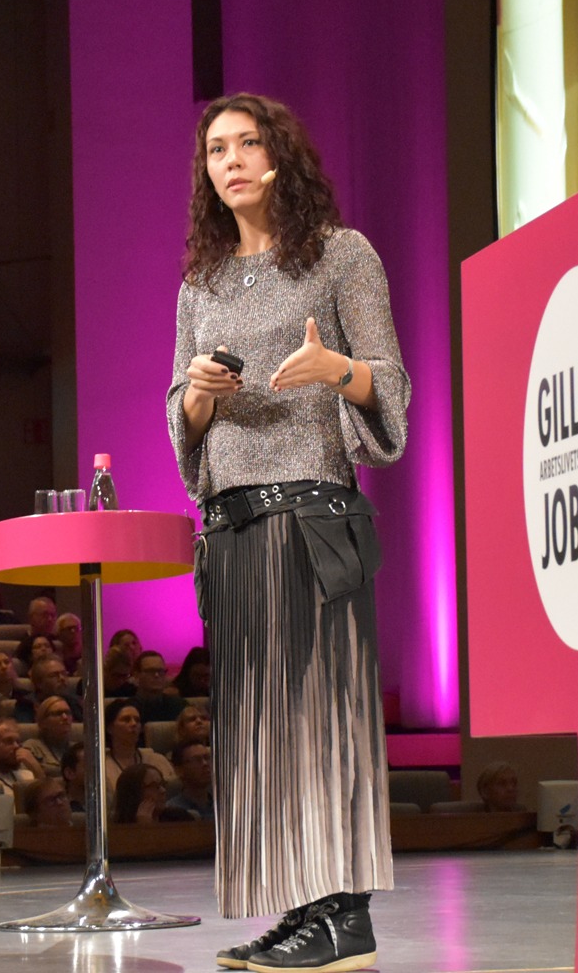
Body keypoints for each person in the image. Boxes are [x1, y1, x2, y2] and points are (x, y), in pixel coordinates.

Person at [169, 93, 407, 968]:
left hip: (311, 522)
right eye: (214, 149)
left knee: (321, 720)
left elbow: (391, 382)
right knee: (265, 734)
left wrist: (337, 370)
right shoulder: (203, 283)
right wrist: (198, 394)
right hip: (232, 532)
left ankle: (347, 919)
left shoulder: (342, 256)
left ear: (280, 154)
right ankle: (309, 910)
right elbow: (179, 414)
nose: (227, 160)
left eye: (245, 143)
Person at [22, 695, 78, 778]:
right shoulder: (31, 748)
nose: (65, 717)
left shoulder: (78, 750)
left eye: (68, 713)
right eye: (58, 713)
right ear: (43, 722)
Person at [131, 651, 187, 724]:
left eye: (160, 671)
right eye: (150, 671)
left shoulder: (179, 705)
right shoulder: (128, 709)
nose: (157, 675)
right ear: (136, 675)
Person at [165, 740, 215, 820]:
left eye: (207, 758)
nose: (205, 764)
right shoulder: (172, 811)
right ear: (179, 770)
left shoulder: (225, 805)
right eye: (196, 760)